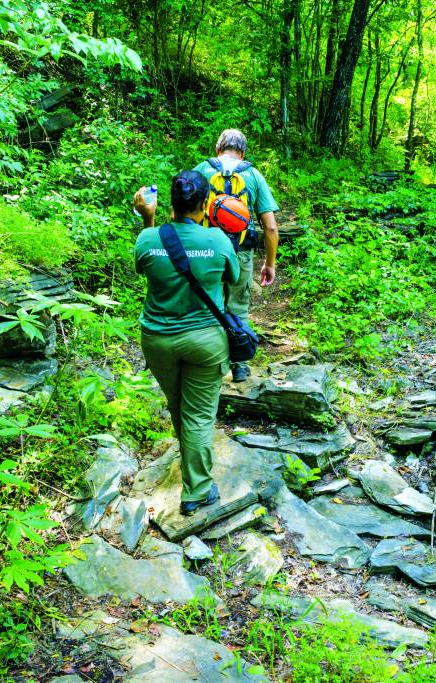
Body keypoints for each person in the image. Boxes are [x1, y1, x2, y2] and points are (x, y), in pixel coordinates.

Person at [133, 171, 240, 515]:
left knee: (180, 406)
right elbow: (233, 278)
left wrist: (148, 217)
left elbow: (143, 264)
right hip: (205, 341)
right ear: (206, 203)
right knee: (197, 414)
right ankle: (197, 489)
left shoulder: (149, 239)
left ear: (171, 203)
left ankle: (192, 465)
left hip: (158, 340)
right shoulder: (219, 240)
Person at [193, 129, 279, 382]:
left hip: (205, 251)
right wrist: (269, 264)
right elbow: (271, 227)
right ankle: (239, 365)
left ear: (218, 150)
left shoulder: (201, 170)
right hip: (240, 252)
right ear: (242, 153)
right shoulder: (253, 174)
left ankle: (208, 363)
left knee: (207, 304)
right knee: (238, 307)